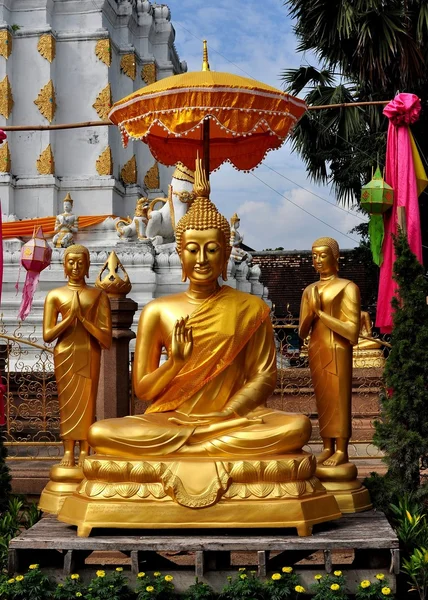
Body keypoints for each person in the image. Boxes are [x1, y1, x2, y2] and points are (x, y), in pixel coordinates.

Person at [88, 160, 311, 458]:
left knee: (297, 427)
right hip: (172, 419)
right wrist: (176, 362)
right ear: (180, 254)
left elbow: (263, 377)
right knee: (100, 433)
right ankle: (205, 448)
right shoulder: (158, 311)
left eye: (212, 249)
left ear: (226, 254)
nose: (202, 259)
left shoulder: (250, 307)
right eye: (193, 249)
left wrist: (227, 413)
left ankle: (194, 447)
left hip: (231, 420)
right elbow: (143, 390)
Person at [43, 244, 112, 468]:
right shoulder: (55, 295)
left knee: (87, 401)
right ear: (64, 266)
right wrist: (68, 318)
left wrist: (84, 320)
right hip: (64, 353)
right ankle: (67, 450)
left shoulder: (98, 295)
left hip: (89, 352)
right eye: (71, 262)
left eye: (80, 262)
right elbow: (47, 335)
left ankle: (85, 449)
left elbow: (106, 338)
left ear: (88, 266)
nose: (75, 267)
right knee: (67, 404)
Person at [299, 238, 360, 467]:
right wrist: (311, 314)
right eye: (314, 255)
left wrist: (321, 314)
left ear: (336, 258)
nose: (318, 260)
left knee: (338, 397)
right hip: (317, 349)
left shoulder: (347, 287)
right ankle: (327, 446)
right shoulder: (309, 290)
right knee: (323, 398)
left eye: (323, 255)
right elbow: (302, 331)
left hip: (339, 350)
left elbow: (352, 331)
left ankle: (342, 450)